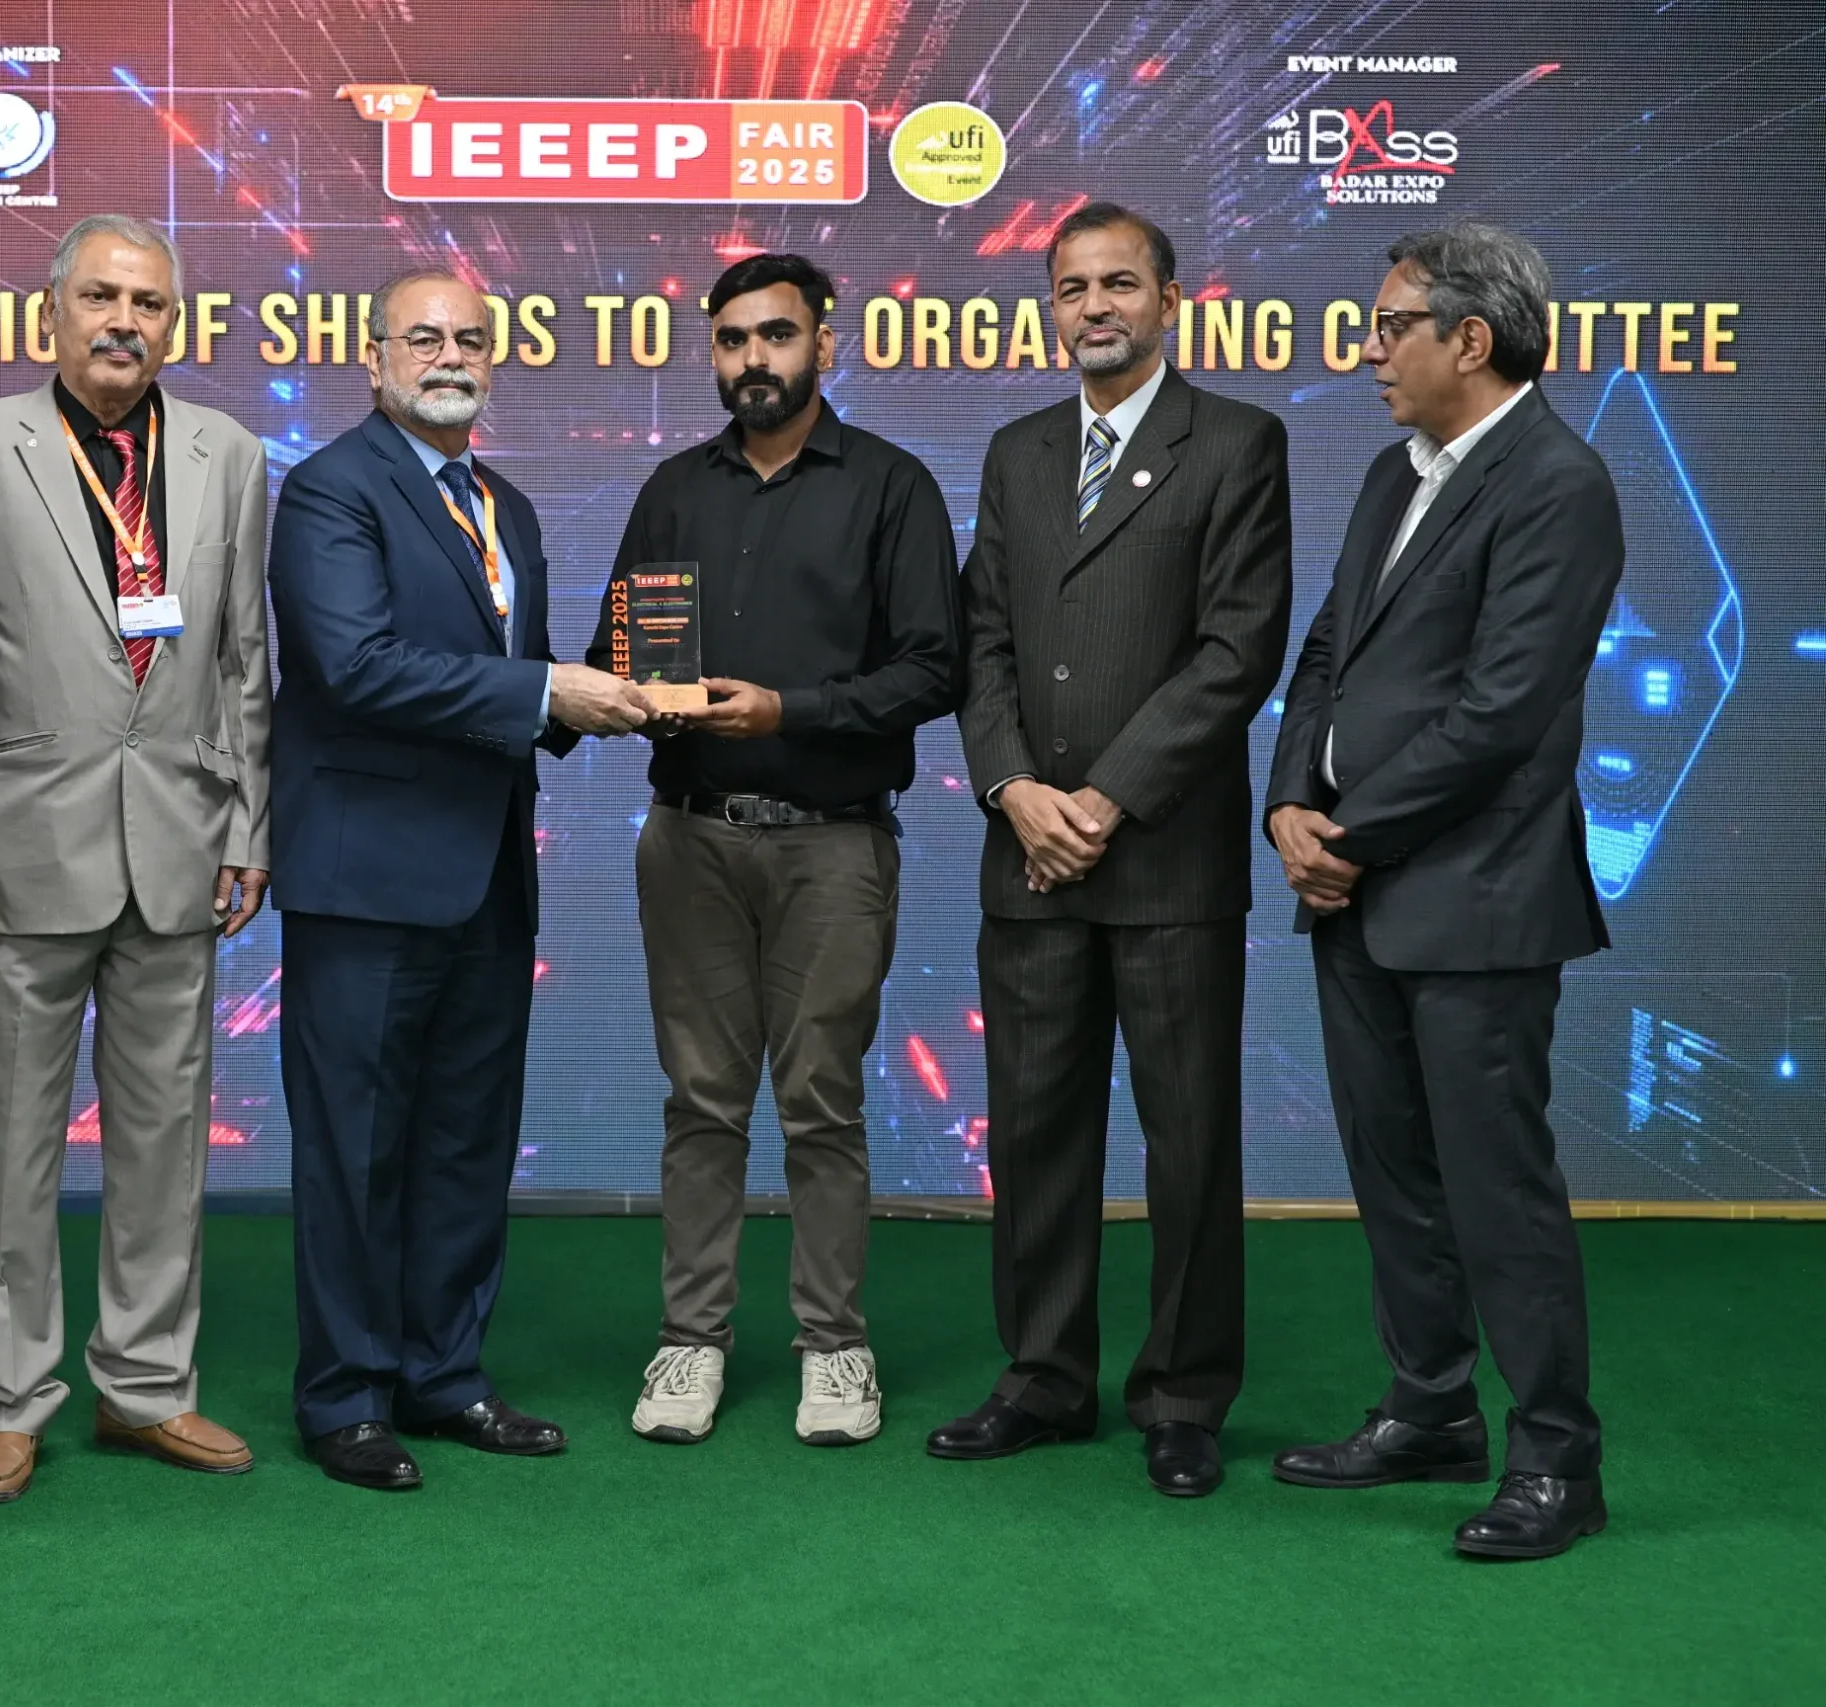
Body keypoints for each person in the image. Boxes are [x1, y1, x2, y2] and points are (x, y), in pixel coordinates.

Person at [1264, 222, 1622, 1560]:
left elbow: (1502, 712)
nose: (1368, 351)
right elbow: (1326, 652)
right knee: (1394, 1171)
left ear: (1471, 339)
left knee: (1494, 1186)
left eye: (1388, 325)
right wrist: (1288, 801)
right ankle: (1428, 1410)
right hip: (1353, 890)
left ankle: (1556, 1460)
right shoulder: (1389, 472)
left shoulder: (1559, 482)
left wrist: (1348, 833)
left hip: (1474, 898)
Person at [268, 268, 651, 1490]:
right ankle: (345, 1398)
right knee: (354, 1149)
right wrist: (549, 691)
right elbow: (354, 666)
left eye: (471, 338)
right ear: (373, 359)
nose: (449, 356)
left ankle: (444, 1377)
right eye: (423, 337)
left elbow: (511, 682)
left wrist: (621, 694)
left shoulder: (506, 506)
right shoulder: (330, 489)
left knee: (466, 1140)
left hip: (486, 873)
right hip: (365, 880)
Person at [0, 215, 273, 1503]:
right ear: (50, 310)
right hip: (18, 851)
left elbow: (242, 658)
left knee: (166, 1139)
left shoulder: (229, 453)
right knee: (6, 1141)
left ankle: (147, 1386)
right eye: (102, 297)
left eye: (151, 303)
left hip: (181, 842)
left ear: (175, 323)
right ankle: (6, 1397)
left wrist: (248, 822)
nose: (126, 321)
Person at [938, 202, 1292, 1498]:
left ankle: (1184, 1394)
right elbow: (982, 641)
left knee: (1188, 1141)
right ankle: (1042, 1377)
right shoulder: (1018, 450)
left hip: (1164, 864)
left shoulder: (1238, 441)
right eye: (1072, 286)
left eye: (1119, 283)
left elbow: (1237, 651)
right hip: (1027, 855)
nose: (1095, 306)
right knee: (1034, 1132)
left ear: (1169, 300)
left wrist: (1104, 802)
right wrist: (1014, 789)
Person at [587, 254, 962, 1449]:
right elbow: (615, 646)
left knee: (820, 1104)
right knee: (701, 1103)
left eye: (778, 335)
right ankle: (690, 1340)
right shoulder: (671, 490)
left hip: (831, 848)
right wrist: (628, 693)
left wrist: (786, 712)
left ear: (823, 345)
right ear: (714, 352)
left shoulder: (892, 487)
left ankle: (833, 1344)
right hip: (689, 840)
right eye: (734, 339)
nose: (755, 358)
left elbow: (933, 669)